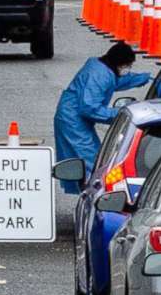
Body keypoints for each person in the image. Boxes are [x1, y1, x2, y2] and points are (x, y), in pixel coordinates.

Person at [54, 43, 153, 187]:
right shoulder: (98, 75)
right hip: (73, 121)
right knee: (92, 162)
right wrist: (121, 114)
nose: (127, 69)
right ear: (118, 62)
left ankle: (92, 191)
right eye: (127, 65)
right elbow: (89, 109)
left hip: (74, 118)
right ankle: (95, 194)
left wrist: (144, 78)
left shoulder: (104, 69)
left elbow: (115, 81)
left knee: (92, 161)